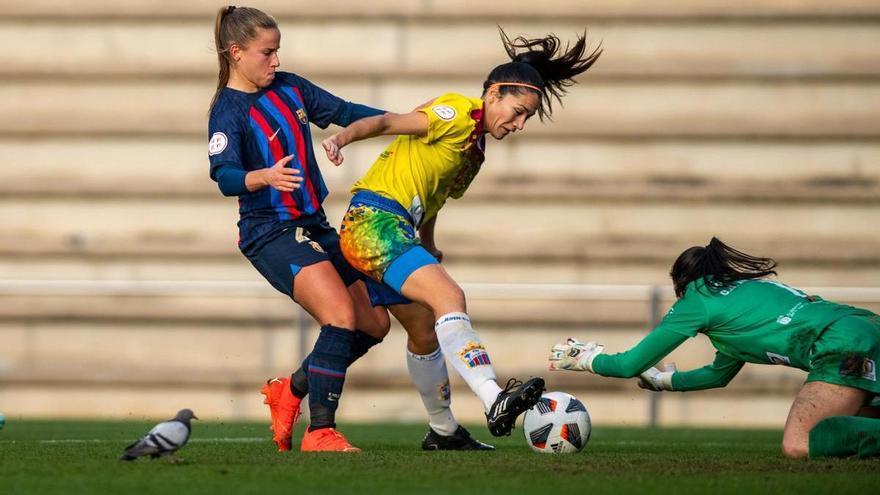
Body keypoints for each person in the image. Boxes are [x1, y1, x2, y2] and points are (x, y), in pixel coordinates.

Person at [321, 29, 602, 437]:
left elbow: (433, 201)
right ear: (492, 94)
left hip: (395, 229)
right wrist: (342, 137)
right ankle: (494, 399)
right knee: (450, 298)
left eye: (527, 117)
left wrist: (429, 245)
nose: (520, 124)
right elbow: (388, 121)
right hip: (375, 221)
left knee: (423, 332)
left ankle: (443, 430)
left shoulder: (475, 151)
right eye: (518, 110)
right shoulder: (456, 111)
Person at [208, 5, 393, 453]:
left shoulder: (291, 87)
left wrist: (410, 122)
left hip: (313, 224)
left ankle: (289, 390)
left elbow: (347, 111)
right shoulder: (227, 111)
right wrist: (263, 176)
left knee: (374, 324)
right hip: (269, 232)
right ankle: (320, 432)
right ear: (236, 53)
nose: (275, 60)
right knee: (340, 317)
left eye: (277, 51)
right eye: (266, 52)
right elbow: (224, 175)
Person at [548, 237, 880, 459]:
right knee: (848, 418)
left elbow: (627, 365)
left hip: (841, 344)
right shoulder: (747, 294)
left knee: (798, 443)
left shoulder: (697, 299)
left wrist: (586, 358)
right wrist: (665, 382)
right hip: (864, 325)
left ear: (681, 282)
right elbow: (719, 375)